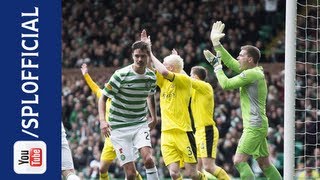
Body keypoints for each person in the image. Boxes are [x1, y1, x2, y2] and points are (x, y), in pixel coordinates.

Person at [203, 21, 282, 179]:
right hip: (257, 124)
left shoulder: (252, 74)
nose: (238, 57)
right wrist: (217, 44)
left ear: (250, 60)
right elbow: (232, 63)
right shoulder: (254, 72)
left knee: (239, 161)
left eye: (241, 55)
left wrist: (216, 66)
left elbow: (226, 84)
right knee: (264, 164)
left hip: (254, 126)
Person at [141, 30, 205, 180]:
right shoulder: (164, 82)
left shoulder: (185, 80)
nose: (162, 65)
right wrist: (145, 47)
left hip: (183, 132)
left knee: (192, 174)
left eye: (165, 64)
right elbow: (151, 69)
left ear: (172, 68)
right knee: (174, 173)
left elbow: (162, 71)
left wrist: (150, 52)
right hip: (167, 133)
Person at [98, 40, 159, 180]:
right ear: (132, 55)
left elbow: (150, 96)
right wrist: (102, 121)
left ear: (148, 57)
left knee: (149, 159)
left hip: (139, 124)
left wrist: (154, 117)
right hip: (118, 128)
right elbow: (103, 98)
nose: (140, 59)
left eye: (143, 56)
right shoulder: (120, 75)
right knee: (131, 174)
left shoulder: (151, 77)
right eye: (137, 55)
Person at [80, 63, 142, 180]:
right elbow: (94, 87)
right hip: (110, 140)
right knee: (102, 169)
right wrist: (86, 75)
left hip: (122, 139)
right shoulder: (104, 97)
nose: (107, 87)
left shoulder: (122, 100)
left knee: (130, 173)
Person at [190, 66, 230, 180]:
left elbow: (185, 80)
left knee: (208, 167)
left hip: (207, 130)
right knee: (195, 171)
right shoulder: (194, 91)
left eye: (191, 75)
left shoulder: (206, 87)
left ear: (195, 77)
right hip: (198, 132)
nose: (189, 77)